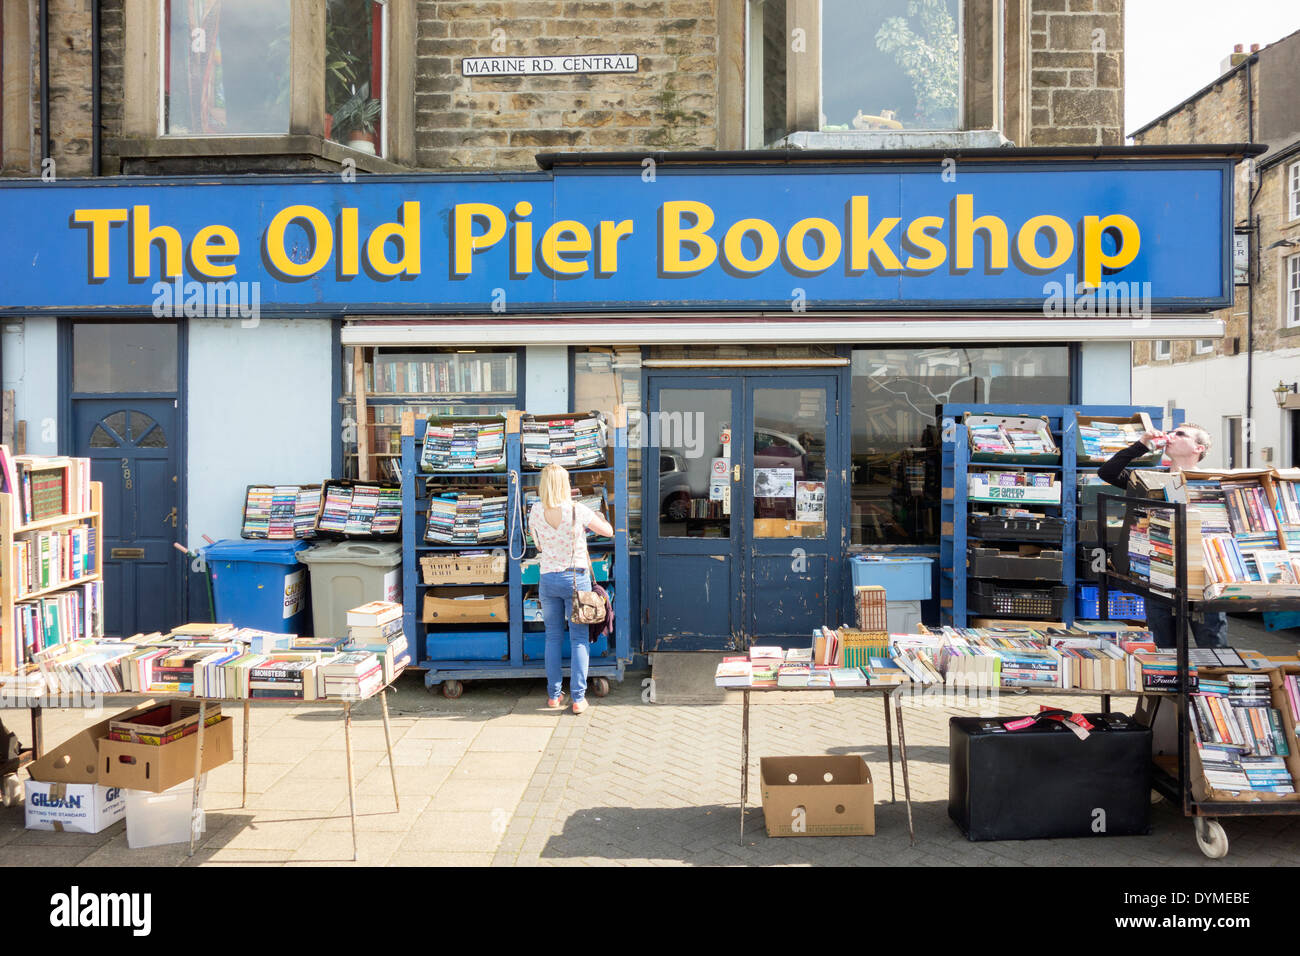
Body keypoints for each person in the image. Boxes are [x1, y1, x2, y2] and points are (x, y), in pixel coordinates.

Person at [1098, 423, 1227, 649]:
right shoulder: (1150, 481)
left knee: (1213, 644)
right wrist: (1142, 444)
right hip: (1158, 573)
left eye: (1180, 434)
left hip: (1203, 573)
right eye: (1172, 432)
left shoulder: (1211, 484)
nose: (1171, 436)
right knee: (1165, 648)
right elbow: (1107, 472)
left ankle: (1212, 682)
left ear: (1199, 448)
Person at [528, 463, 614, 714]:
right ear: (565, 485)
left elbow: (540, 547)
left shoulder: (535, 510)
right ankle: (578, 698)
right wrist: (596, 518)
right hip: (576, 580)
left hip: (548, 579)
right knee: (578, 640)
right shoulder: (579, 510)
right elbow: (608, 532)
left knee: (552, 637)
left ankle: (554, 696)